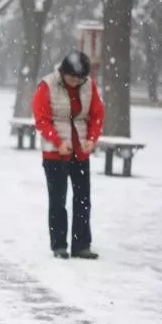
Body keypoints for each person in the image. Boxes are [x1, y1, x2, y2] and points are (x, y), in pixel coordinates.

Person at [32, 50, 104, 259]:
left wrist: (92, 139)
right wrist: (58, 142)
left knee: (83, 199)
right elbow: (42, 119)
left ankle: (81, 244)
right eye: (72, 77)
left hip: (80, 152)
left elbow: (97, 113)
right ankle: (59, 245)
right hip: (55, 154)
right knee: (58, 199)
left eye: (80, 78)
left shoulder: (88, 86)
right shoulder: (47, 85)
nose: (76, 81)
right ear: (63, 72)